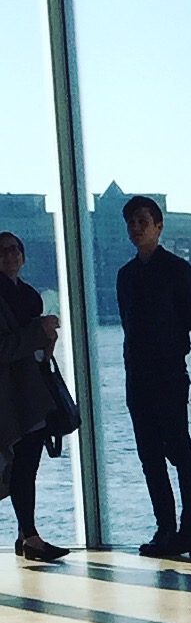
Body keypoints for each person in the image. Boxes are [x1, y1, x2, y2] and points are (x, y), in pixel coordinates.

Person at [118, 196, 191, 561]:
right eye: (131, 223)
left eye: (143, 221)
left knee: (179, 452)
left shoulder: (178, 271)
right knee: (150, 456)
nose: (136, 228)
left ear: (159, 226)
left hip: (171, 375)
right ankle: (166, 530)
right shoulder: (125, 276)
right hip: (137, 377)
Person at [0, 231, 68, 563]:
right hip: (8, 395)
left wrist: (46, 340)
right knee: (18, 466)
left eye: (15, 249)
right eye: (3, 251)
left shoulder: (28, 296)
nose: (10, 256)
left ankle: (27, 533)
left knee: (26, 466)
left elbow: (32, 347)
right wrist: (36, 334)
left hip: (30, 392)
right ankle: (28, 535)